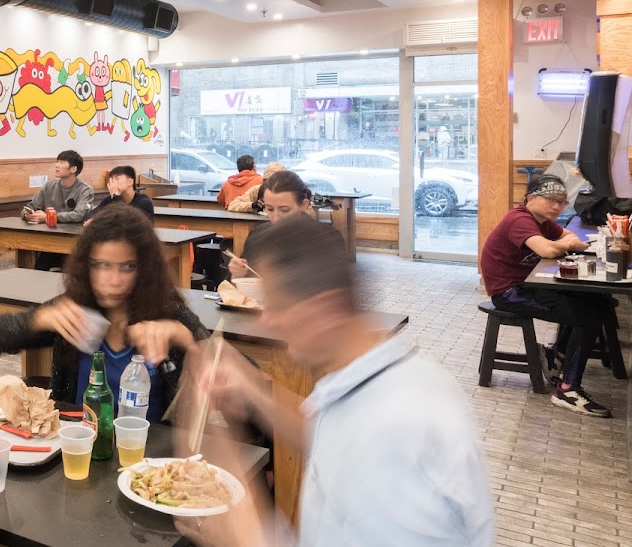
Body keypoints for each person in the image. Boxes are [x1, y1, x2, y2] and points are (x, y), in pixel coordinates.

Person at [177, 214, 494, 547]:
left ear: (324, 308)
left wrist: (239, 530)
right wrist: (251, 385)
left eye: (277, 305)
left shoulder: (397, 433)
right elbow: (323, 427)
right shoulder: (379, 377)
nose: (266, 319)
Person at [0, 205, 208, 421]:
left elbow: (222, 368)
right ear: (86, 266)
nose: (113, 280)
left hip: (146, 449)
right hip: (79, 441)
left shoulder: (168, 311)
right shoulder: (76, 308)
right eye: (101, 265)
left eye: (128, 267)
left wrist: (185, 338)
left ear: (145, 269)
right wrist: (39, 320)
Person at [481, 175, 608, 416]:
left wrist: (563, 244)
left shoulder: (543, 222)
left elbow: (570, 238)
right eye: (551, 200)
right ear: (531, 198)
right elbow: (549, 249)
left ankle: (556, 355)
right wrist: (563, 245)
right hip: (509, 291)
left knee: (597, 300)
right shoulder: (519, 219)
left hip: (530, 284)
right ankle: (568, 390)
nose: (557, 206)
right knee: (586, 317)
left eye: (561, 201)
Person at [226, 170, 316, 279]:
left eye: (285, 210)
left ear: (303, 205)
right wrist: (238, 274)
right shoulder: (258, 236)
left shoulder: (320, 240)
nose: (276, 218)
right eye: (269, 209)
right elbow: (242, 281)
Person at [22, 149, 94, 269]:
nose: (57, 165)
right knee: (40, 267)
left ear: (73, 169)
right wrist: (28, 214)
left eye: (62, 162)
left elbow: (79, 215)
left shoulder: (85, 190)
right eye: (57, 162)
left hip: (72, 239)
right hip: (49, 237)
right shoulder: (49, 186)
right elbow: (31, 205)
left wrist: (48, 217)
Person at [84, 165, 154, 224]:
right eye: (111, 180)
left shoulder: (144, 202)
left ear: (130, 182)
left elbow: (125, 221)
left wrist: (116, 195)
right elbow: (89, 215)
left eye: (117, 179)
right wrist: (93, 220)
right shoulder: (110, 200)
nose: (113, 183)